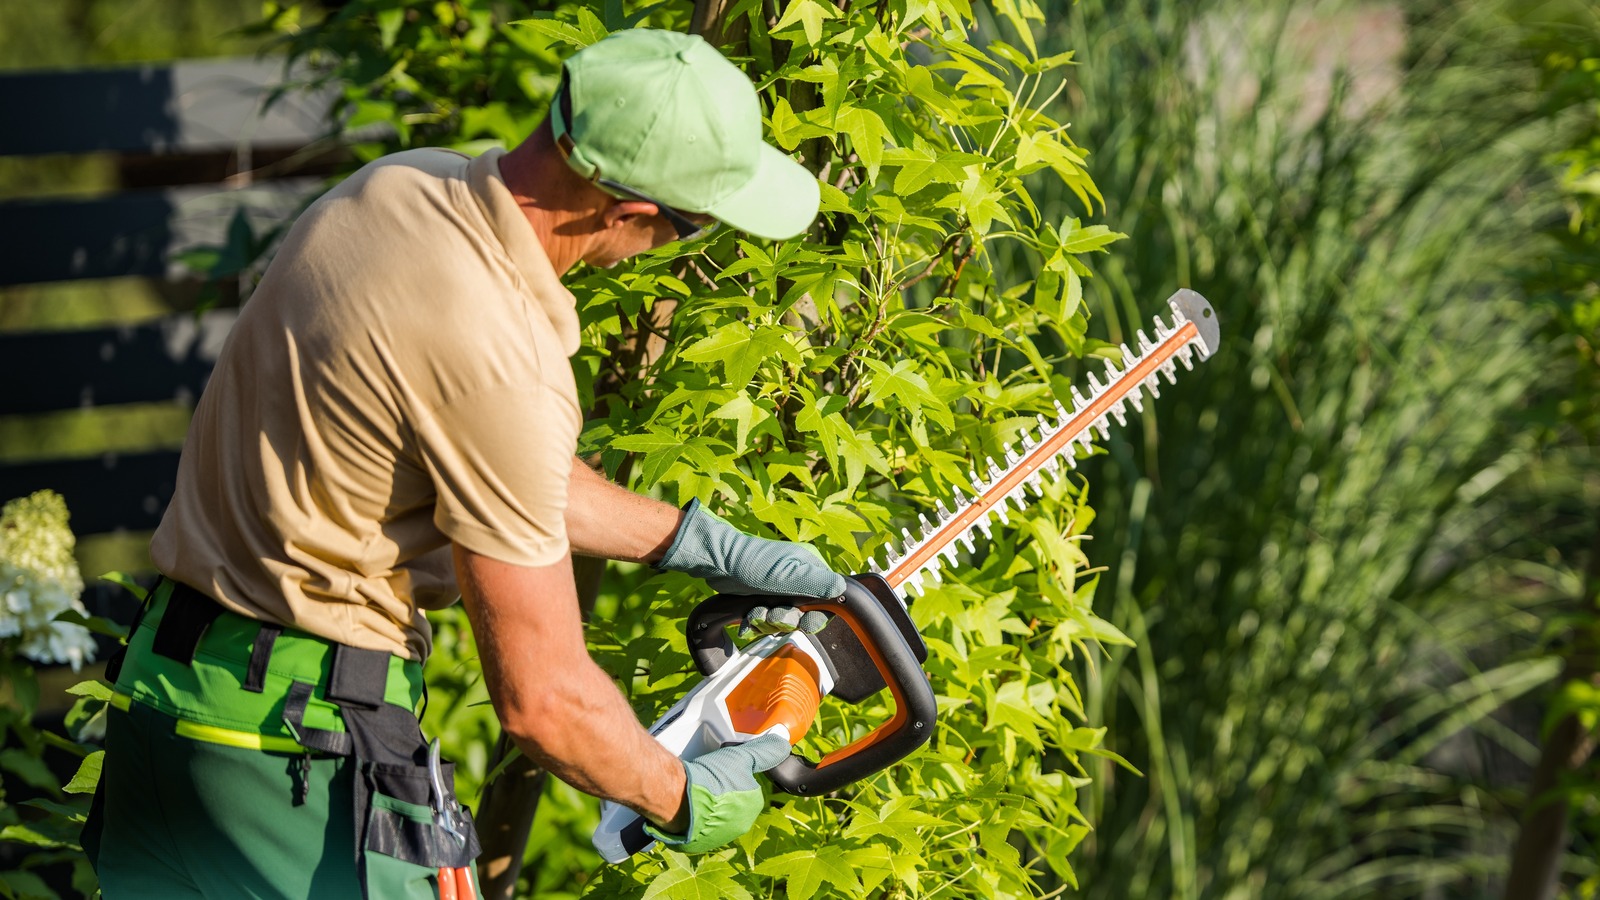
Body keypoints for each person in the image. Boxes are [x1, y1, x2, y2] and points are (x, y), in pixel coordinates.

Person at [83, 28, 841, 899]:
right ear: (627, 212)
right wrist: (683, 797)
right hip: (296, 763)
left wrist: (697, 542)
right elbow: (543, 702)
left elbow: (485, 461)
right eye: (688, 226)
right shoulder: (502, 350)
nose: (676, 245)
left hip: (166, 711)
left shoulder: (403, 189)